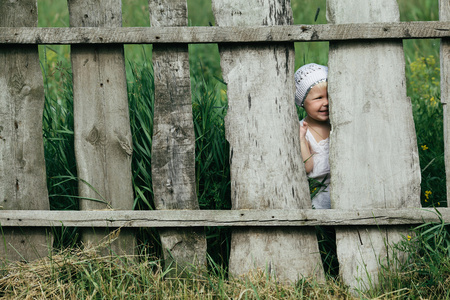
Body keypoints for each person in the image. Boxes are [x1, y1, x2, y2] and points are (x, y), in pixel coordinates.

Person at [295, 63, 331, 209]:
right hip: (318, 199)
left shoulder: (338, 123)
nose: (326, 102)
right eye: (318, 98)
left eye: (329, 96)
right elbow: (307, 167)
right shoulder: (303, 130)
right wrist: (301, 140)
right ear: (303, 102)